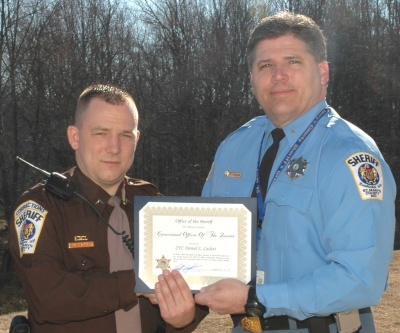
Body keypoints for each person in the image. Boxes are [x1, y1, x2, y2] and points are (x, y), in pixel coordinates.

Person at [195, 11, 396, 333]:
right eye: (265, 66)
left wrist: (257, 298)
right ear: (251, 76)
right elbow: (202, 241)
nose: (278, 75)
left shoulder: (350, 154)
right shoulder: (235, 147)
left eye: (293, 62)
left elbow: (361, 279)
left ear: (323, 72)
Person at [9, 84, 208, 333]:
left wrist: (185, 318)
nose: (114, 147)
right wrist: (137, 283)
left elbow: (192, 283)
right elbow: (47, 298)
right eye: (101, 133)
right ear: (75, 137)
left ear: (136, 139)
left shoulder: (152, 202)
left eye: (125, 135)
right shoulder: (40, 207)